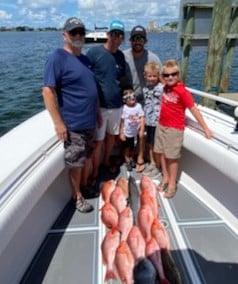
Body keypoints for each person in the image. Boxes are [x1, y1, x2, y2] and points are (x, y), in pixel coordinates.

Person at [42, 17, 100, 213]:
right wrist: (58, 123)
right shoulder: (57, 57)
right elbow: (48, 91)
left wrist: (98, 113)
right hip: (74, 124)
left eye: (81, 32)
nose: (78, 36)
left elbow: (91, 89)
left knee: (87, 159)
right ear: (64, 35)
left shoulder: (85, 59)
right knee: (76, 163)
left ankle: (84, 187)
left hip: (90, 121)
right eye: (74, 32)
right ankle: (77, 197)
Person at [154, 59, 213, 198]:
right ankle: (166, 178)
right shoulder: (165, 86)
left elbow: (193, 109)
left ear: (179, 74)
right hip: (161, 125)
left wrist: (205, 128)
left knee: (172, 158)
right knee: (161, 153)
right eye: (166, 75)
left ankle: (173, 184)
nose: (170, 77)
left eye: (173, 74)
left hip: (174, 129)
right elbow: (159, 77)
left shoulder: (183, 91)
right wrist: (161, 75)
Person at [86, 19, 126, 183]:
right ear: (108, 35)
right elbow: (85, 79)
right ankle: (95, 169)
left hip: (117, 105)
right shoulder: (94, 53)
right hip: (100, 107)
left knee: (111, 136)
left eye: (120, 35)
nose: (116, 37)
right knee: (98, 140)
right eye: (114, 33)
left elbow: (121, 80)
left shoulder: (121, 56)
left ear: (122, 38)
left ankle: (106, 160)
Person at [123, 25, 162, 173]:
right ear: (130, 40)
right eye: (135, 38)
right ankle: (127, 156)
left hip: (148, 101)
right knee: (127, 130)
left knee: (142, 132)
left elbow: (163, 79)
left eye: (140, 38)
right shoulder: (124, 56)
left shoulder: (153, 58)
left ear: (145, 41)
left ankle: (140, 157)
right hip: (129, 100)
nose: (137, 41)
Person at [142, 61, 164, 177]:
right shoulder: (145, 88)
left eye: (154, 76)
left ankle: (158, 166)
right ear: (145, 76)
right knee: (150, 143)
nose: (152, 78)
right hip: (149, 121)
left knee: (157, 145)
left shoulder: (162, 88)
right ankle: (152, 162)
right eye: (149, 76)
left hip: (158, 122)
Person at [119, 88, 145, 171]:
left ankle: (131, 158)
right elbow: (122, 121)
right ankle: (127, 160)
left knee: (133, 147)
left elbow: (141, 117)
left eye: (134, 95)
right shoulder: (124, 108)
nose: (132, 98)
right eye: (129, 97)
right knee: (127, 148)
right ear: (125, 100)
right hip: (127, 133)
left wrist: (141, 129)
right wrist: (121, 133)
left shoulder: (138, 106)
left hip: (135, 133)